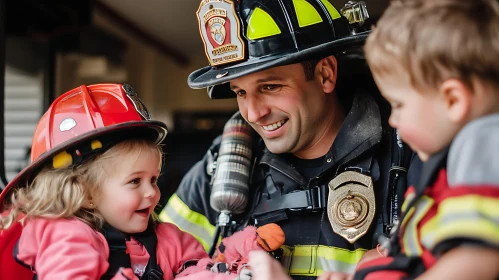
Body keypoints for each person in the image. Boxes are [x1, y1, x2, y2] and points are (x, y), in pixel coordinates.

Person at [160, 1, 422, 279]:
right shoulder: (222, 166)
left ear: (325, 74)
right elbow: (151, 258)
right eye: (240, 92)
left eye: (270, 86)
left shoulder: (410, 151)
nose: (253, 113)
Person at [0, 84, 215, 279]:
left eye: (154, 179)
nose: (152, 192)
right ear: (86, 193)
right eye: (135, 181)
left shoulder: (168, 240)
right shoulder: (66, 238)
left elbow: (203, 270)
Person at [353, 0, 499, 279]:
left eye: (397, 105)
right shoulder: (455, 159)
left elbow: (476, 260)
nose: (392, 121)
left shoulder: (482, 144)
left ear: (453, 100)